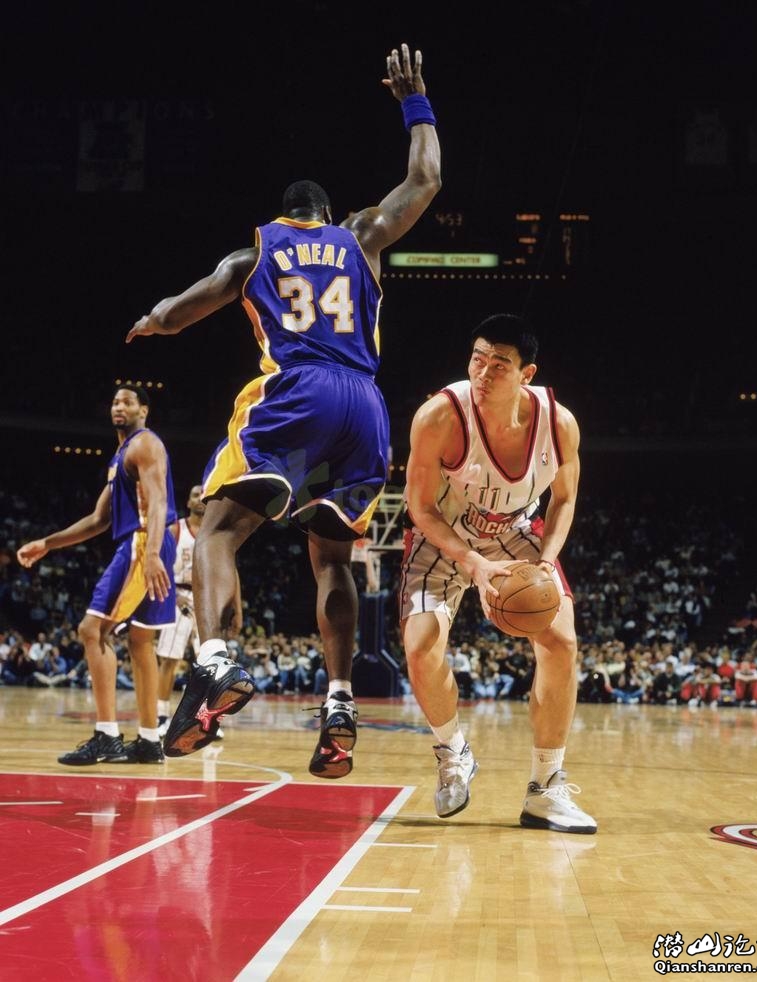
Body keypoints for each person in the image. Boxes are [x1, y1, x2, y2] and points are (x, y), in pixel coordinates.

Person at [125, 42, 441, 775]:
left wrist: (147, 322)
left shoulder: (253, 256)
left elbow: (174, 314)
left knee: (216, 529)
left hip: (298, 396)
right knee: (332, 558)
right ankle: (339, 701)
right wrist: (414, 101)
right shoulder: (360, 236)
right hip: (364, 411)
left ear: (283, 216)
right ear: (327, 214)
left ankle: (214, 661)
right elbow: (426, 177)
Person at [400, 313, 596, 833]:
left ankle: (545, 788)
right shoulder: (439, 416)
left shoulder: (559, 424)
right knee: (419, 645)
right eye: (477, 359)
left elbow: (564, 499)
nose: (483, 373)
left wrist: (545, 560)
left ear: (526, 373)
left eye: (499, 364)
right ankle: (453, 752)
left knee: (562, 641)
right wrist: (474, 562)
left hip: (514, 529)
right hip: (444, 532)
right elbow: (420, 508)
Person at [16, 385, 177, 764]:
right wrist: (47, 543)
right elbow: (98, 519)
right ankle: (149, 740)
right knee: (140, 642)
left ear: (144, 410)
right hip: (147, 544)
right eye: (115, 402)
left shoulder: (144, 444)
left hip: (144, 543)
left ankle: (106, 735)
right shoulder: (121, 456)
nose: (119, 407)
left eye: (128, 402)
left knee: (92, 630)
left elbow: (158, 502)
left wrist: (153, 552)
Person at [155, 484, 242, 738]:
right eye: (195, 494)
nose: (200, 498)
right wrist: (172, 596)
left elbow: (232, 572)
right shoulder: (175, 529)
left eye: (203, 494)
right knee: (169, 660)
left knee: (211, 665)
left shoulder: (218, 534)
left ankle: (208, 719)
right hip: (177, 599)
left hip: (208, 599)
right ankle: (161, 717)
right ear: (188, 502)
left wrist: (237, 607)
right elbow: (160, 566)